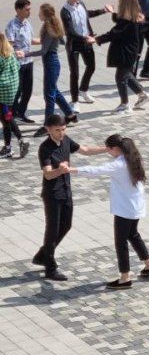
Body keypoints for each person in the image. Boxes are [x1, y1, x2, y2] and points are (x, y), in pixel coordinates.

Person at [71, 134, 149, 289]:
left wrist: (72, 170)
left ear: (115, 149)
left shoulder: (119, 164)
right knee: (133, 235)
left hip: (125, 209)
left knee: (121, 242)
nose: (108, 152)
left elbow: (96, 170)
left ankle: (125, 278)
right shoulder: (134, 158)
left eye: (108, 149)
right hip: (136, 206)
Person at [34, 114, 107, 281]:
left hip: (66, 191)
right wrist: (60, 170)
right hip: (52, 195)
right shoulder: (45, 148)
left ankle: (42, 255)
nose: (61, 133)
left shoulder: (66, 140)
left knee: (66, 225)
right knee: (52, 230)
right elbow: (48, 174)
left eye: (63, 129)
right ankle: (50, 268)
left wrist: (107, 148)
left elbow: (85, 150)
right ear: (48, 129)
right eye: (57, 130)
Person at [95, 0, 149, 114]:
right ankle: (142, 95)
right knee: (127, 75)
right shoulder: (134, 17)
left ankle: (124, 105)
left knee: (120, 77)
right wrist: (112, 12)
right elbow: (119, 20)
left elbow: (113, 34)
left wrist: (96, 39)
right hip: (131, 52)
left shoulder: (128, 23)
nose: (119, 2)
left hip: (126, 53)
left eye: (121, 1)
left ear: (125, 4)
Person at [60, 0, 111, 110]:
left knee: (91, 66)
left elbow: (88, 14)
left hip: (87, 41)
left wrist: (103, 10)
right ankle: (74, 101)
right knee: (75, 73)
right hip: (74, 44)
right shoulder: (65, 11)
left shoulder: (81, 3)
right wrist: (85, 38)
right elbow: (70, 31)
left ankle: (83, 90)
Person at [31, 3, 74, 138]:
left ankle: (47, 126)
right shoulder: (54, 26)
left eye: (40, 12)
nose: (38, 14)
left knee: (49, 96)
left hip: (50, 63)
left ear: (45, 14)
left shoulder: (49, 29)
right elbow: (62, 41)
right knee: (54, 90)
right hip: (53, 62)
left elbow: (43, 51)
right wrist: (48, 42)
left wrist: (25, 54)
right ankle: (70, 114)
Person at [7, 0, 38, 123]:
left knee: (28, 90)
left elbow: (31, 40)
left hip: (28, 61)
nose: (29, 12)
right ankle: (12, 116)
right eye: (27, 10)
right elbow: (8, 46)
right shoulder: (12, 25)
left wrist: (48, 40)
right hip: (17, 64)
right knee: (17, 91)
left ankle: (21, 114)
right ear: (18, 10)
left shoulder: (27, 23)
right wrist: (16, 53)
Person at [0, 34, 28, 159]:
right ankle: (11, 145)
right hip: (11, 91)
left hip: (2, 92)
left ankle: (14, 144)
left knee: (6, 118)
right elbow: (17, 66)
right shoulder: (10, 53)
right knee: (7, 117)